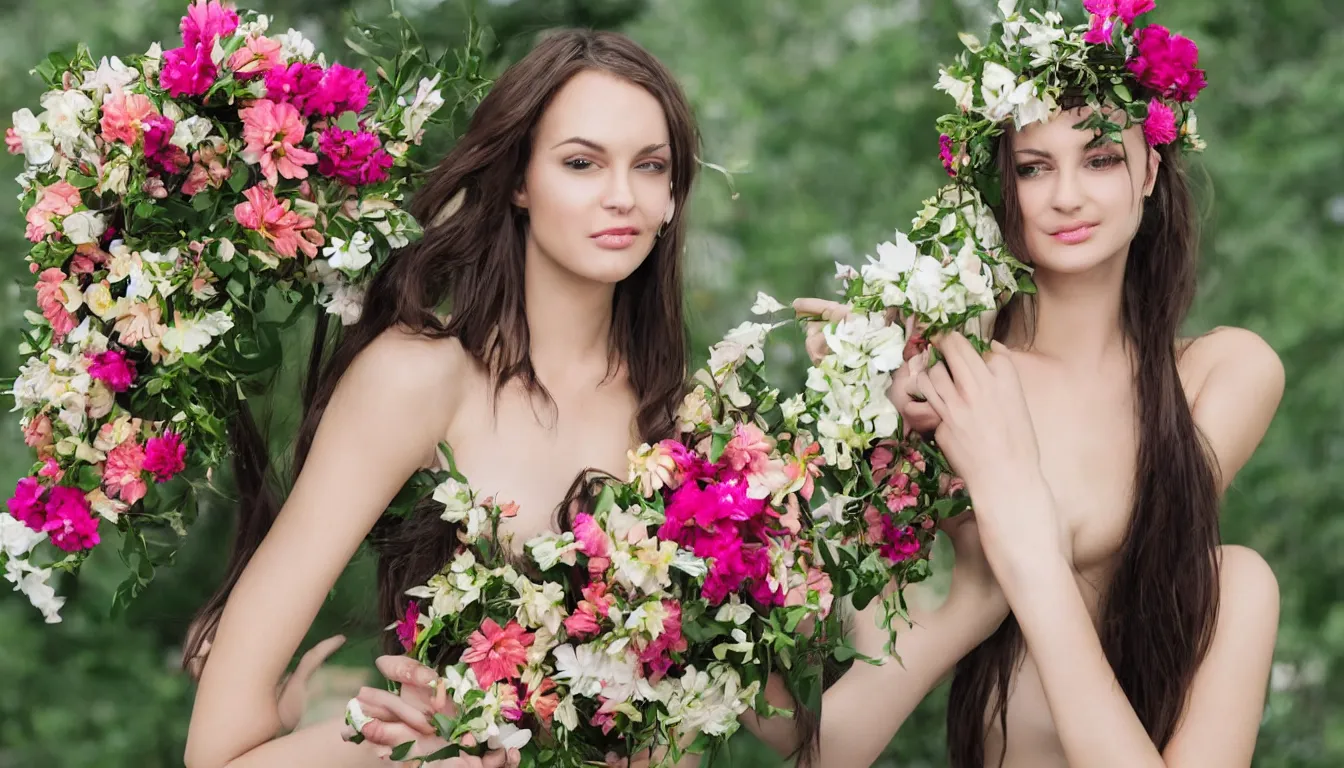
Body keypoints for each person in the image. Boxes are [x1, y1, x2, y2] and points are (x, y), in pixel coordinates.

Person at [184, 28, 702, 768]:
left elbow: (792, 734)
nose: (622, 197)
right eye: (582, 162)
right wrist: (411, 752)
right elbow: (216, 757)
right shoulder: (420, 379)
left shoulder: (690, 424)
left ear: (672, 192)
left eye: (650, 166)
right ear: (519, 179)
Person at [787, 5, 1285, 766]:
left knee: (1242, 577)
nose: (1067, 197)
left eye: (1100, 159)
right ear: (1001, 186)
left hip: (1141, 691)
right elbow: (823, 745)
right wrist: (859, 422)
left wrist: (1017, 524)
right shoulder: (952, 386)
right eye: (1033, 166)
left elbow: (1156, 523)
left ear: (1150, 168)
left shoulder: (1222, 372)